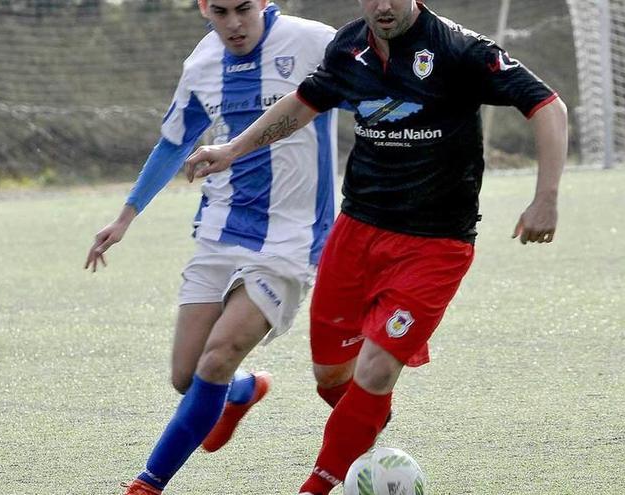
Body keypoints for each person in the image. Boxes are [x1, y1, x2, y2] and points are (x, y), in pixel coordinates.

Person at [185, 0, 569, 492]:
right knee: (331, 377)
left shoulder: (459, 49)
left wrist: (546, 198)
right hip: (356, 232)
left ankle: (318, 485)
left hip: (435, 244)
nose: (382, 5)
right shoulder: (349, 46)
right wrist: (232, 148)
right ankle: (366, 432)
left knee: (375, 368)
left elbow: (547, 106)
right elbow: (303, 103)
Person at [84, 1, 337, 493]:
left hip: (290, 239)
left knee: (216, 358)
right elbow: (174, 144)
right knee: (187, 375)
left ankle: (147, 483)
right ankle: (242, 393)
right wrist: (125, 217)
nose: (234, 23)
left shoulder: (314, 43)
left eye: (243, 8)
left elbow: (369, 92)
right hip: (220, 232)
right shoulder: (201, 65)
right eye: (220, 12)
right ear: (204, 9)